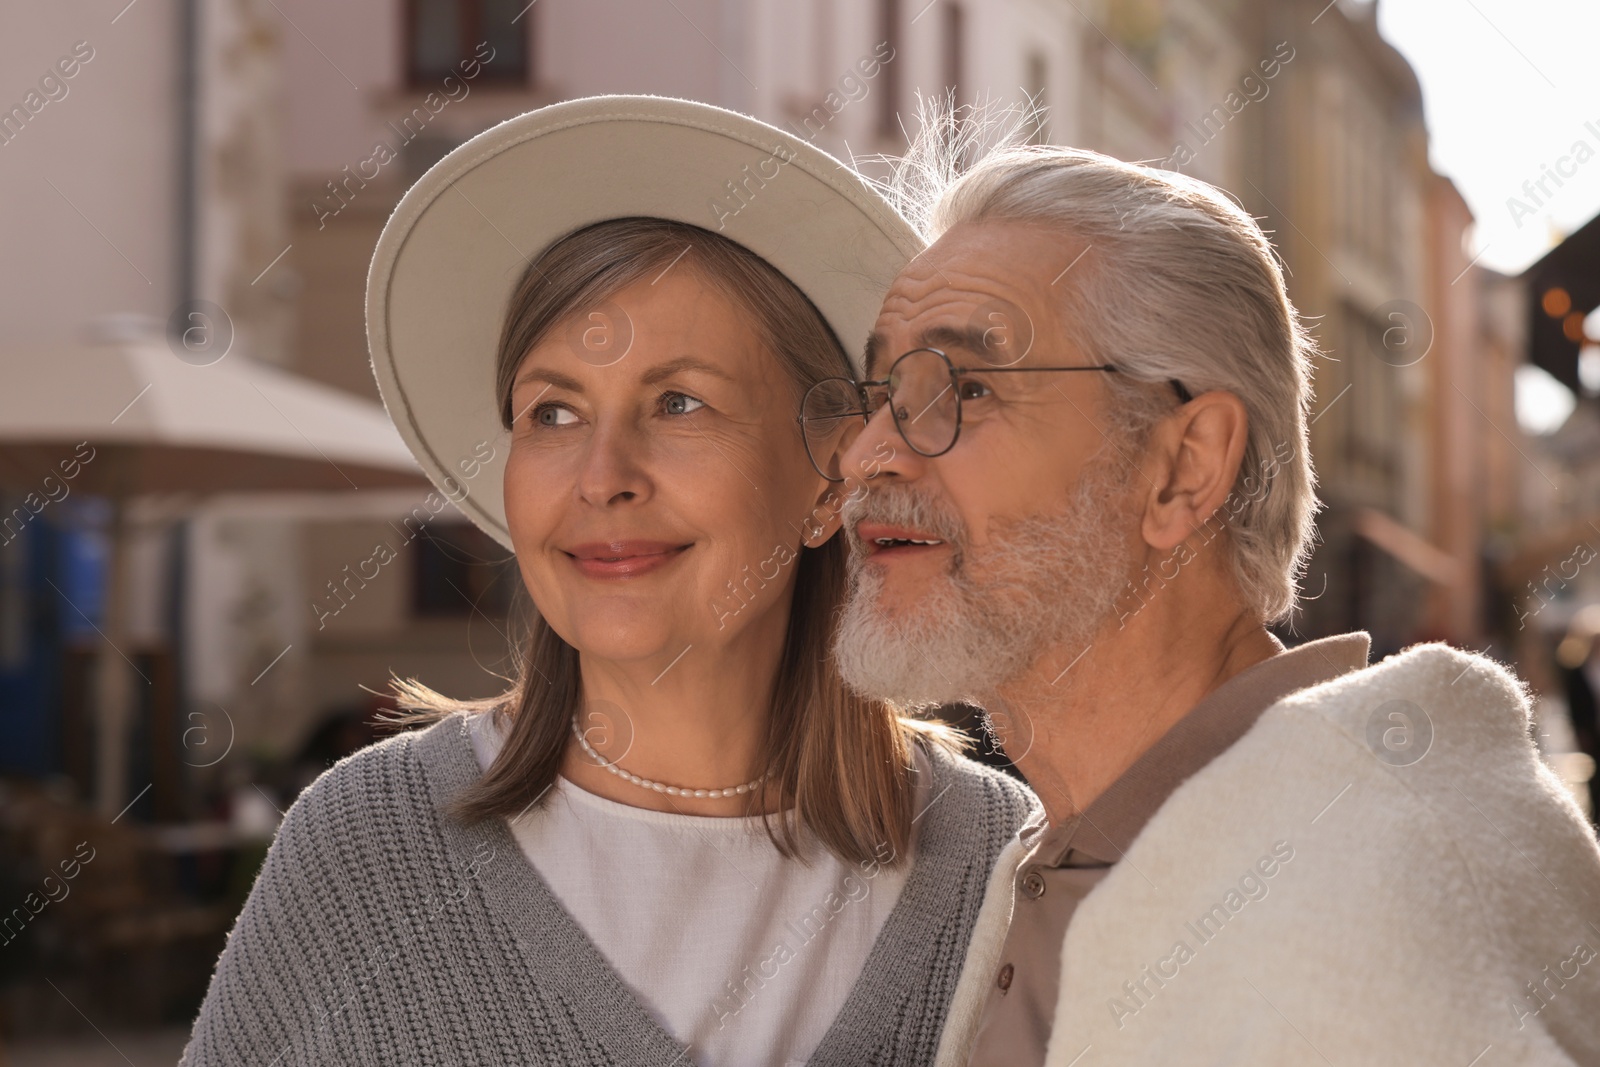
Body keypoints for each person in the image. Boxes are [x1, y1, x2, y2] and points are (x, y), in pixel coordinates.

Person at [178, 97, 1038, 1067]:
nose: (601, 474)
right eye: (551, 412)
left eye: (677, 402)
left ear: (829, 471)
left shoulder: (995, 862)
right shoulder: (365, 848)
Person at [807, 123, 1600, 1065]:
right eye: (880, 388)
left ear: (1184, 468)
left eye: (969, 388)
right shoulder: (1063, 853)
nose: (866, 454)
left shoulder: (1366, 894)